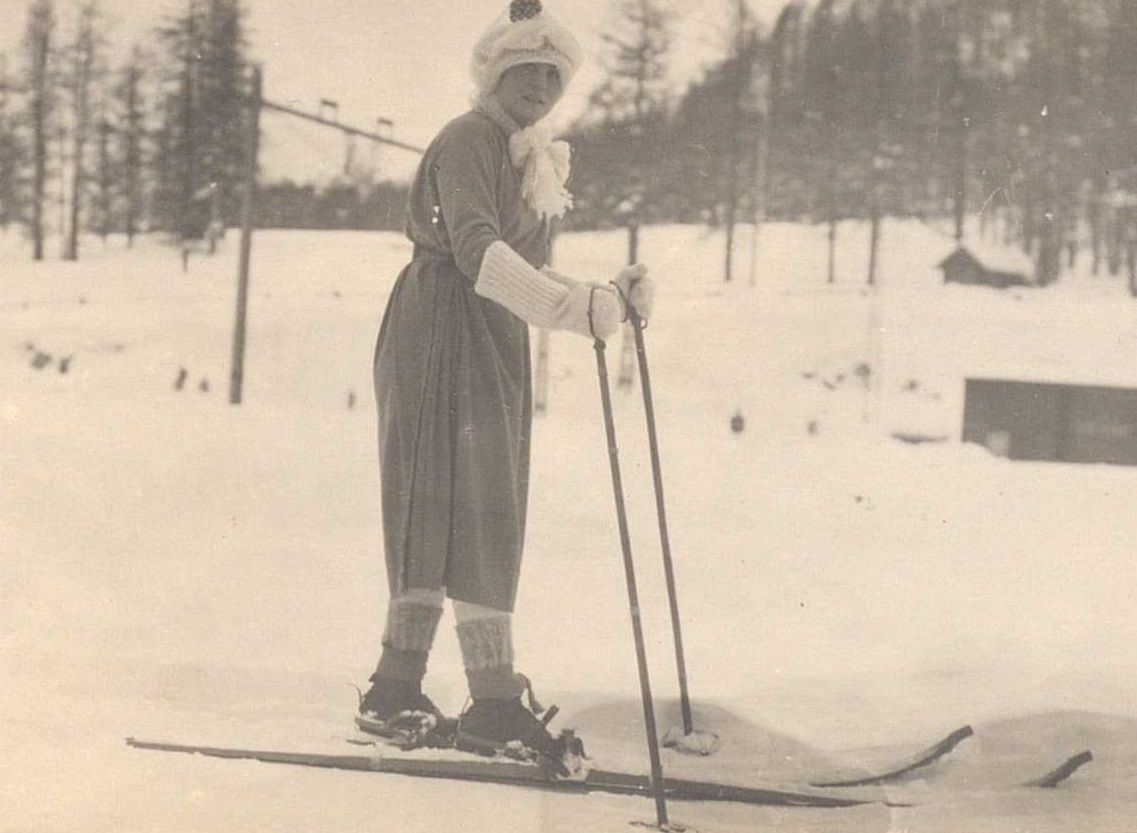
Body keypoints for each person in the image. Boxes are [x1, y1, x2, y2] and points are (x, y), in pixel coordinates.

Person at [356, 0, 655, 763]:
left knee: (489, 500)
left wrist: (604, 300)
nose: (538, 84)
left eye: (552, 74)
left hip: (491, 332)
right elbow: (477, 251)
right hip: (438, 322)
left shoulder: (530, 158)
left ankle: (487, 695)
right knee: (432, 493)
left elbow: (521, 267)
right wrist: (571, 307)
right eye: (524, 69)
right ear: (493, 72)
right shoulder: (468, 139)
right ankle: (401, 685)